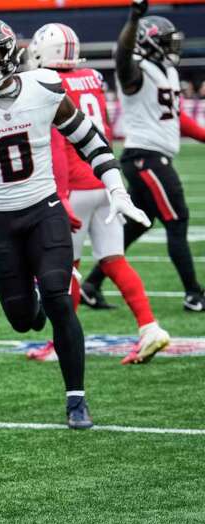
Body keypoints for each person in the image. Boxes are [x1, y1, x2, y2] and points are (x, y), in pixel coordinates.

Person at [0, 16, 150, 428]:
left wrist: (117, 189)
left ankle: (76, 399)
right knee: (23, 319)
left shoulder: (43, 88)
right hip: (0, 220)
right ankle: (33, 301)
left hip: (45, 209)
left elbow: (91, 140)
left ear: (8, 56)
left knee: (59, 298)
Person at [26, 22, 170, 364]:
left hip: (75, 186)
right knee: (113, 259)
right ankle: (149, 327)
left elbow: (60, 143)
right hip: (105, 181)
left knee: (65, 267)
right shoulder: (91, 77)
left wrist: (59, 194)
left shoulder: (47, 83)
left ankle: (61, 343)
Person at [79, 0, 205, 313]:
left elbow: (175, 118)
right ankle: (194, 294)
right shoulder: (136, 70)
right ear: (148, 43)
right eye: (166, 42)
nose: (172, 47)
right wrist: (133, 18)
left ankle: (91, 285)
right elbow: (122, 56)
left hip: (151, 158)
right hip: (146, 158)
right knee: (177, 220)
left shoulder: (167, 72)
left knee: (139, 223)